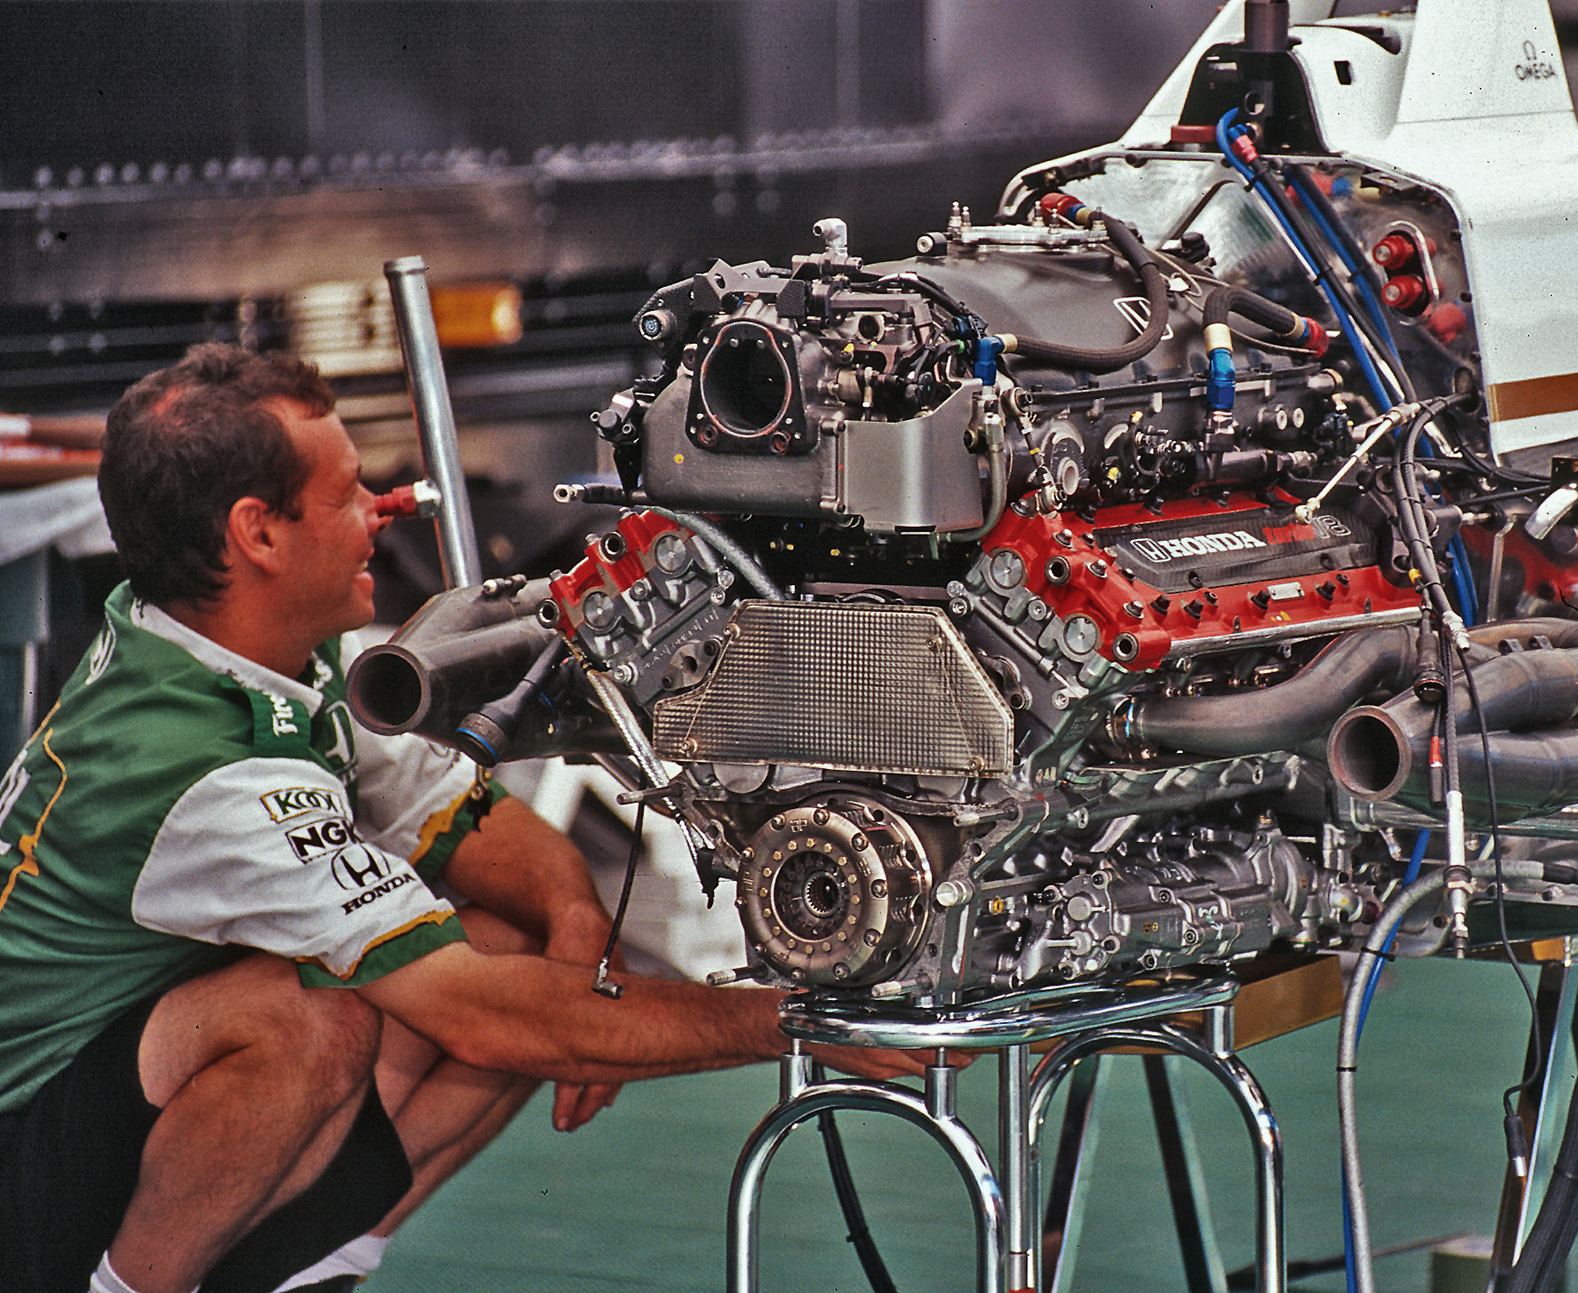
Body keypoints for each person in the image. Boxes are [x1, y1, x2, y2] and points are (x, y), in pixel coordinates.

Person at [0, 343, 922, 1293]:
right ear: (258, 535)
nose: (387, 512)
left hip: (99, 1109)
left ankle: (302, 1266)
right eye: (351, 494)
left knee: (510, 937)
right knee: (306, 1022)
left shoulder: (242, 654)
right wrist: (792, 1022)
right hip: (19, 1175)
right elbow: (488, 1022)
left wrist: (574, 932)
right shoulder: (204, 772)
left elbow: (491, 838)